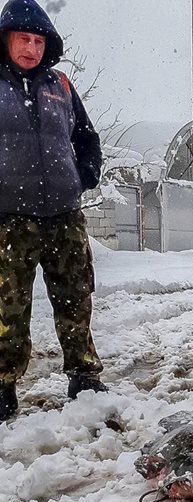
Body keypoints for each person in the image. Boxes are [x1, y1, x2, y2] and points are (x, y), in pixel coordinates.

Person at [0, 0, 107, 422]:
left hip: (64, 216)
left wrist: (84, 176)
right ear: (6, 39)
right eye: (23, 39)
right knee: (8, 306)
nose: (31, 48)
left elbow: (87, 138)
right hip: (9, 220)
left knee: (76, 298)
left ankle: (83, 374)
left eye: (38, 40)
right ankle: (4, 384)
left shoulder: (60, 85)